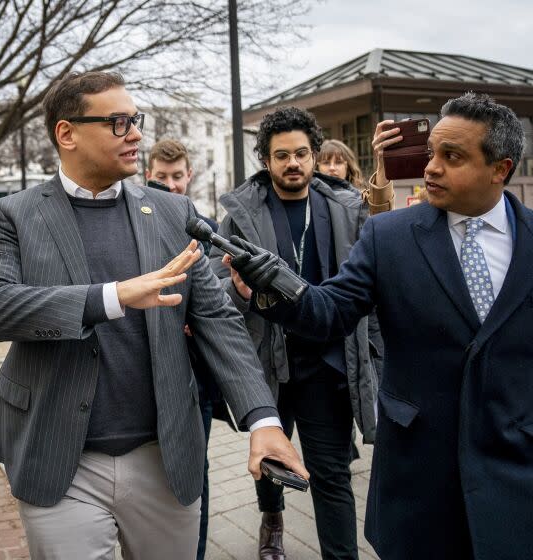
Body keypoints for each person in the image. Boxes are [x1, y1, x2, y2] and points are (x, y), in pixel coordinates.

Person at [0, 71, 307, 559]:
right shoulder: (17, 214)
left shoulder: (173, 212)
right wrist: (114, 296)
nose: (135, 134)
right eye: (118, 122)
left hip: (164, 459)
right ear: (67, 133)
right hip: (61, 460)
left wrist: (263, 421)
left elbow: (218, 323)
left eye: (136, 120)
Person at [232, 92, 530, 559]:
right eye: (431, 152)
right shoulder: (388, 235)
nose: (431, 167)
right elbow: (331, 310)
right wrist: (270, 290)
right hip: (418, 476)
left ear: (501, 168)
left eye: (452, 157)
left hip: (514, 472)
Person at [211, 107, 381, 560]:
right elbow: (214, 283)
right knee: (270, 464)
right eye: (281, 155)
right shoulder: (241, 213)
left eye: (302, 153)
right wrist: (239, 290)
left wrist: (375, 352)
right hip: (268, 367)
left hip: (329, 365)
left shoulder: (345, 208)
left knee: (332, 474)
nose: (293, 163)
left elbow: (370, 289)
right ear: (266, 160)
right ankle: (272, 519)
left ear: (314, 154)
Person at [145, 138, 222, 560]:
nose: (171, 186)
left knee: (196, 471)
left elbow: (217, 302)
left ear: (189, 177)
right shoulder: (135, 222)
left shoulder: (206, 228)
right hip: (145, 372)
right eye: (162, 178)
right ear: (148, 177)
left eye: (178, 177)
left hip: (194, 377)